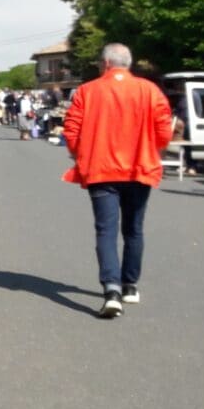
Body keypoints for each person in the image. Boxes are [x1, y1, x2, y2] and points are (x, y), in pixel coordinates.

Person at [62, 43, 172, 319]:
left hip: (101, 169)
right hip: (139, 167)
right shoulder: (150, 91)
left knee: (106, 231)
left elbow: (71, 131)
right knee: (134, 229)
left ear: (106, 64)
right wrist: (151, 149)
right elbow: (164, 132)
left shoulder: (87, 91)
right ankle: (130, 285)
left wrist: (81, 154)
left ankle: (111, 289)